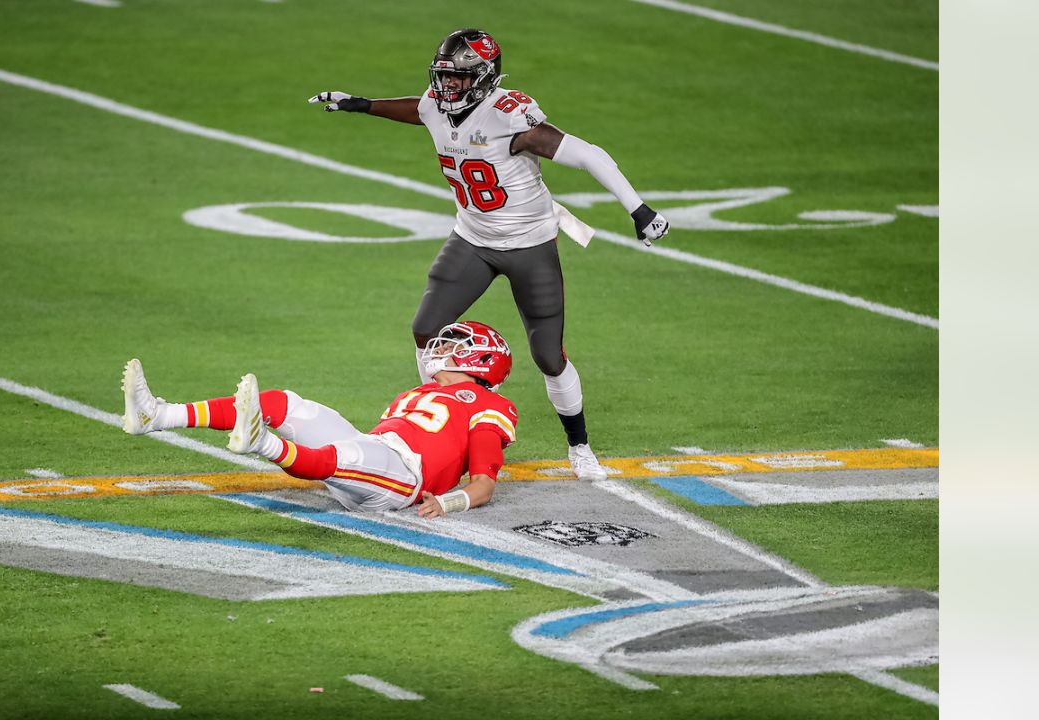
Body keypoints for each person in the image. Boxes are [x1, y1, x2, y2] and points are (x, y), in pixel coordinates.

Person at [308, 28, 669, 481]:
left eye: (458, 78)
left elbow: (589, 155)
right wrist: (360, 103)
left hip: (529, 245)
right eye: (444, 77)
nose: (447, 87)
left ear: (483, 77)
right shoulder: (436, 105)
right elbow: (417, 110)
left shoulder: (508, 117)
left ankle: (580, 448)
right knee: (425, 329)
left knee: (548, 355)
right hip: (473, 240)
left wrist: (638, 208)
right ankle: (436, 429)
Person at [121, 321, 518, 517]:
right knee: (286, 403)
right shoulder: (426, 391)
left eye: (456, 345)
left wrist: (449, 504)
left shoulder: (488, 405)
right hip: (379, 452)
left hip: (405, 480)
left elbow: (483, 484)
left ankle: (261, 442)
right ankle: (157, 415)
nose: (444, 347)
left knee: (342, 457)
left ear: (480, 361)